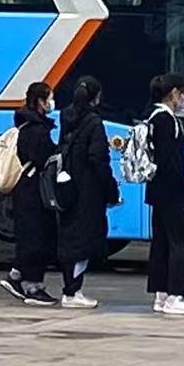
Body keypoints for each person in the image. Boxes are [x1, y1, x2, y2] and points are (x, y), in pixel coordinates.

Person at [56, 76, 120, 310]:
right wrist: (111, 189)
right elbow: (99, 159)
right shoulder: (94, 123)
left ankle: (71, 287)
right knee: (85, 240)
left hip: (67, 187)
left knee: (70, 237)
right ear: (96, 97)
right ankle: (72, 291)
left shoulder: (66, 117)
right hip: (88, 191)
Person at [0, 82, 60, 307]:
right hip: (32, 191)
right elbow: (41, 157)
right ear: (41, 102)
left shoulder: (28, 125)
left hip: (28, 189)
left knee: (33, 235)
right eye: (49, 98)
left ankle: (16, 276)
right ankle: (33, 287)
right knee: (36, 236)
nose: (52, 103)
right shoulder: (35, 129)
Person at [146, 73, 184, 316]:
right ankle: (175, 296)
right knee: (182, 242)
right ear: (175, 93)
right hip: (171, 191)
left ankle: (161, 294)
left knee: (162, 242)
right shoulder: (167, 120)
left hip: (157, 190)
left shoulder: (152, 117)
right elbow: (171, 162)